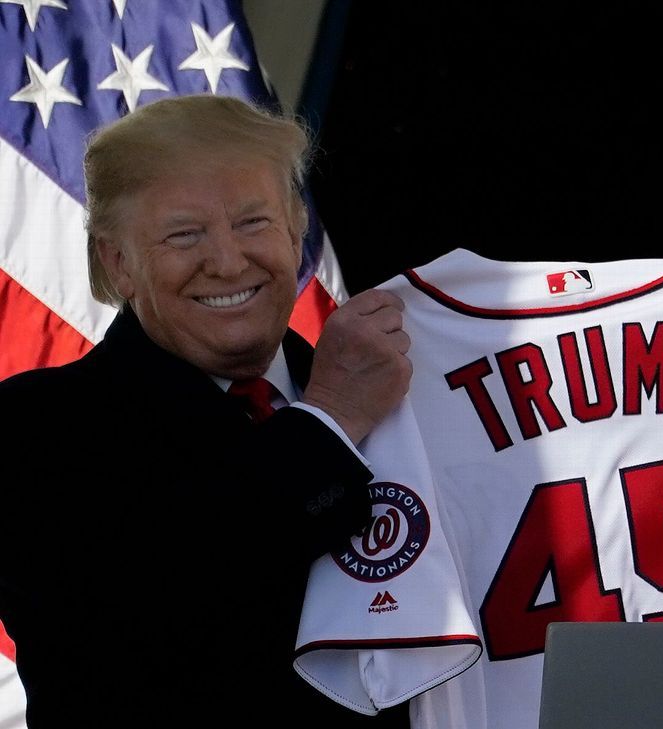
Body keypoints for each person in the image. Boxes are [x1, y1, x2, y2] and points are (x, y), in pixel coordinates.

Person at [0, 95, 411, 727]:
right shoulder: (32, 432)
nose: (227, 261)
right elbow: (158, 613)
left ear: (298, 229)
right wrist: (327, 424)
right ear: (118, 262)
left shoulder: (402, 401)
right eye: (184, 234)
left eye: (254, 223)